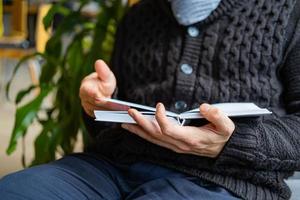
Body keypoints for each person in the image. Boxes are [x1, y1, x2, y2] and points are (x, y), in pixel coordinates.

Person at [1, 0, 300, 199]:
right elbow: (110, 129)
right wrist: (99, 106)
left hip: (225, 181)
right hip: (114, 167)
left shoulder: (287, 11)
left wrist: (231, 143)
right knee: (14, 191)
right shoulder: (137, 17)